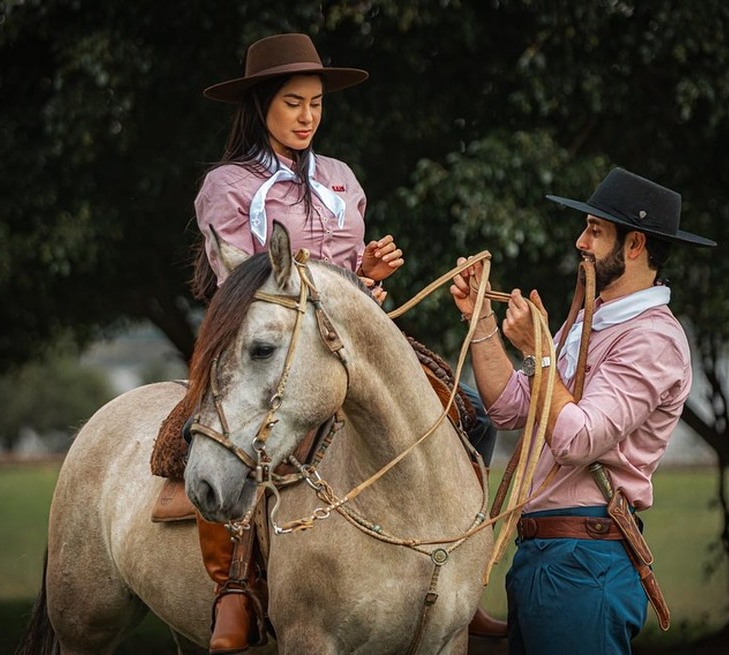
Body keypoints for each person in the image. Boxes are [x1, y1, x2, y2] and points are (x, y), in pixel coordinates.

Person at [187, 33, 497, 652]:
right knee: (208, 438)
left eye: (317, 104)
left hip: (353, 337)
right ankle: (237, 587)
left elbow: (346, 273)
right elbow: (241, 286)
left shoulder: (341, 178)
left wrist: (369, 276)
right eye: (293, 103)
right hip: (267, 340)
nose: (307, 117)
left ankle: (465, 577)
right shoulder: (227, 186)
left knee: (474, 417)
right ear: (260, 106)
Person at [450, 168, 716, 654]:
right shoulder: (584, 323)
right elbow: (511, 409)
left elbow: (577, 439)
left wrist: (539, 353)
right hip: (543, 555)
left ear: (634, 245)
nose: (581, 242)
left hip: (586, 559)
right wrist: (482, 321)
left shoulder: (653, 339)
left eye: (595, 231)